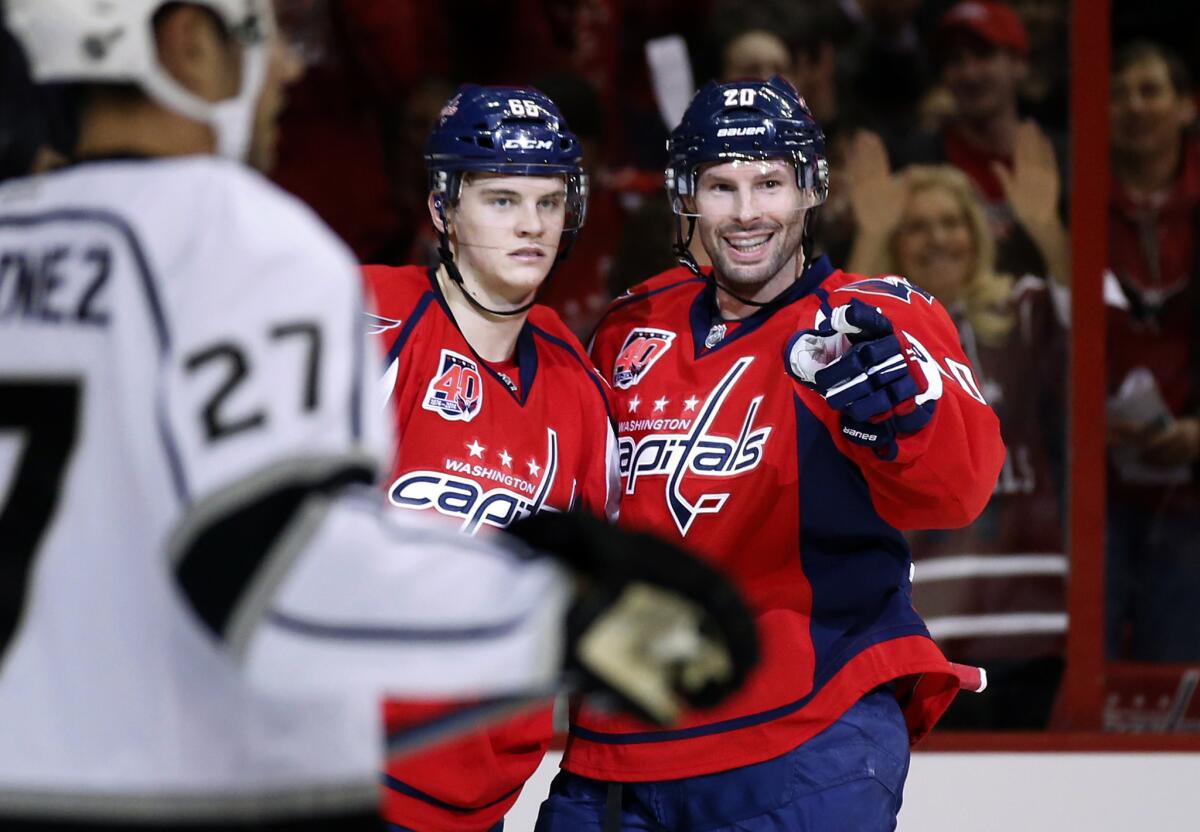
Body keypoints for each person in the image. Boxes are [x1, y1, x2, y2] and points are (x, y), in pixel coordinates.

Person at [0, 3, 759, 828]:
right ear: (187, 42)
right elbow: (268, 566)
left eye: (547, 201)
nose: (289, 70)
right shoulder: (243, 243)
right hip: (184, 783)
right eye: (261, 37)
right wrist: (565, 614)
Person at [536, 76, 1004, 831]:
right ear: (685, 195)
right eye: (722, 186)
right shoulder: (631, 325)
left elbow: (960, 489)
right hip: (620, 749)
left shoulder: (872, 317)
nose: (747, 212)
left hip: (804, 737)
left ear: (811, 189)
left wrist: (907, 428)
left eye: (770, 183)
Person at [362, 85, 615, 832]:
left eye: (548, 201)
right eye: (501, 200)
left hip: (481, 806)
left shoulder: (578, 385)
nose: (531, 225)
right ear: (443, 209)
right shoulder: (368, 320)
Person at [849, 163, 1068, 729]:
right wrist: (869, 235)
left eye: (952, 222)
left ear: (976, 233)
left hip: (1029, 614)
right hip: (922, 620)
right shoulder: (875, 332)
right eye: (917, 227)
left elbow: (1090, 337)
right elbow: (834, 324)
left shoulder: (1023, 308)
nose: (938, 239)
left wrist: (1046, 230)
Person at [1105, 40, 1200, 661]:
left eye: (1150, 91)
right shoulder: (1077, 202)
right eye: (1119, 94)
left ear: (1188, 107)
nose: (1134, 106)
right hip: (1098, 485)